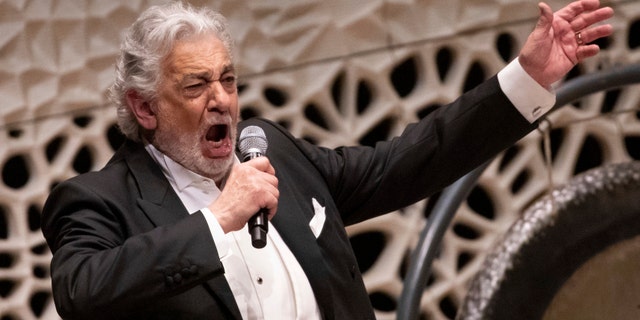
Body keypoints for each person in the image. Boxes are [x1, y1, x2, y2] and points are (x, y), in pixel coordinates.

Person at [41, 1, 613, 319]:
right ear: (144, 108)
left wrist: (526, 79)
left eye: (228, 80)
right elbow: (82, 291)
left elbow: (404, 162)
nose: (221, 100)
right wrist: (216, 222)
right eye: (195, 86)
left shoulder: (268, 150)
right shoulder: (99, 201)